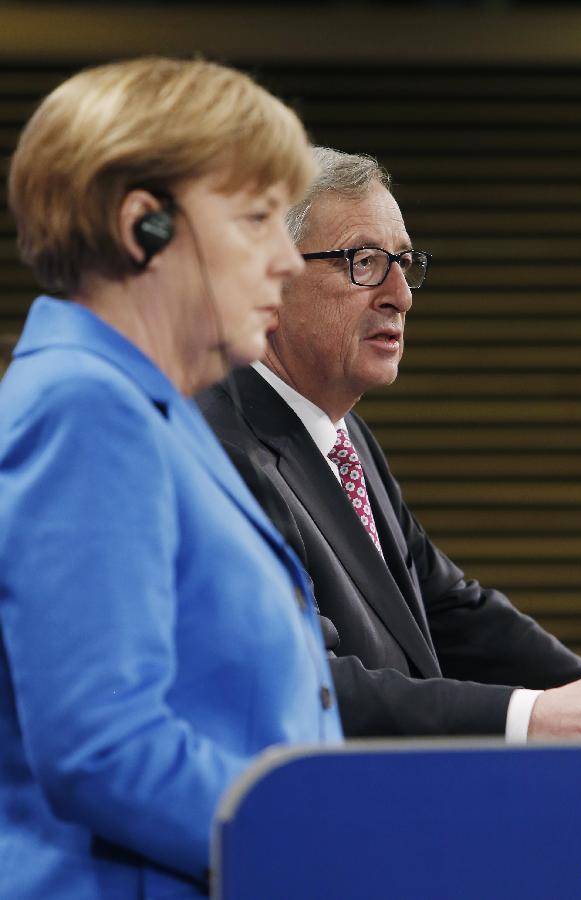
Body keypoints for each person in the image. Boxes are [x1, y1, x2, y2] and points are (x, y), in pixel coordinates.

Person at [199, 147, 581, 743]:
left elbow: (450, 610)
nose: (400, 295)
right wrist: (532, 719)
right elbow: (298, 685)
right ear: (268, 276)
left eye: (404, 263)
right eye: (365, 261)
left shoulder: (342, 435)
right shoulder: (219, 445)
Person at [0, 60, 342, 900]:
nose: (287, 262)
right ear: (142, 227)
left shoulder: (149, 411)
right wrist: (329, 846)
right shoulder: (85, 409)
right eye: (258, 219)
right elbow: (102, 747)